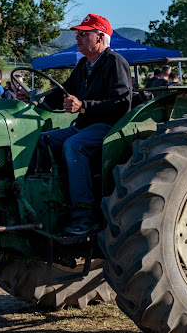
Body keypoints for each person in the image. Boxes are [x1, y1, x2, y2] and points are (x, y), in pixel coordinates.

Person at [31, 13, 132, 235]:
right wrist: (35, 102)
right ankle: (44, 202)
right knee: (40, 141)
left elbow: (122, 103)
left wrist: (83, 105)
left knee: (74, 146)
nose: (77, 37)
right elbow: (63, 92)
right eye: (78, 33)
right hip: (84, 126)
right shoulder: (85, 65)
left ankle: (85, 215)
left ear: (100, 38)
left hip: (107, 128)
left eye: (84, 33)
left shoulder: (115, 62)